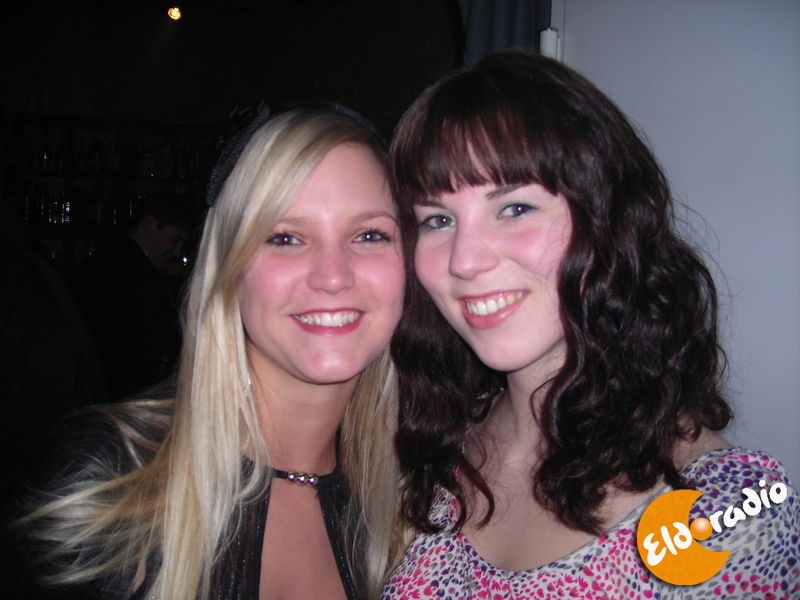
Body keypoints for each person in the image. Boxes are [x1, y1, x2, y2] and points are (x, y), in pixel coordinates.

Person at [382, 49, 799, 598]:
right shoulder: (436, 446)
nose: (465, 260)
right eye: (438, 219)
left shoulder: (732, 510)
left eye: (514, 208)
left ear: (604, 217)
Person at [12, 103, 404, 600]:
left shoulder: (418, 507)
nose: (332, 276)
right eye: (285, 237)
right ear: (229, 267)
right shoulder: (107, 484)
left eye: (370, 235)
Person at [70, 197, 191, 400]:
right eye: (174, 239)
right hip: (116, 394)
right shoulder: (125, 269)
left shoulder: (114, 258)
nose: (178, 252)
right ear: (149, 225)